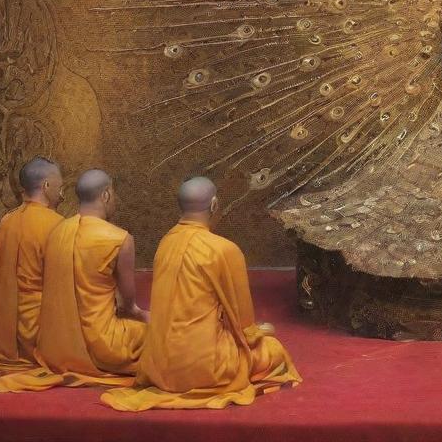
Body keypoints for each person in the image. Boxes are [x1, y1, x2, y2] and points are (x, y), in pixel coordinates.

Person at [102, 176, 300, 411]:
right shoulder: (224, 249)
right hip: (206, 368)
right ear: (214, 204)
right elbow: (245, 327)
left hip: (157, 368)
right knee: (274, 351)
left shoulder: (165, 244)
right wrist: (259, 333)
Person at [0, 168, 148, 392]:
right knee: (162, 336)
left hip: (53, 345)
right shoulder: (119, 238)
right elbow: (128, 306)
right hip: (101, 343)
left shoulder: (55, 232)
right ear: (106, 195)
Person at [0, 157, 64, 374]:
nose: (62, 193)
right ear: (46, 186)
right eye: (61, 187)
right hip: (42, 331)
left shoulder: (6, 221)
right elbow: (63, 287)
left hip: (5, 330)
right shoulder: (56, 225)